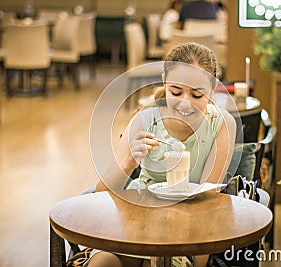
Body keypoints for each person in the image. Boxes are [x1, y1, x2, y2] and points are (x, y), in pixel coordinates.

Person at [87, 42, 237, 267]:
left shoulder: (222, 123)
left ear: (213, 88)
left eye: (197, 95)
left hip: (182, 230)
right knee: (103, 263)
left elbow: (209, 201)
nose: (185, 103)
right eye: (176, 92)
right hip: (134, 221)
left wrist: (199, 263)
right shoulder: (146, 117)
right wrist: (130, 162)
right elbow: (100, 193)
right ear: (165, 83)